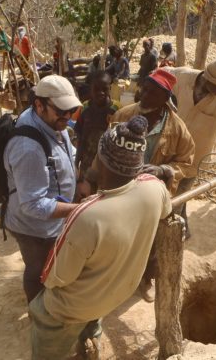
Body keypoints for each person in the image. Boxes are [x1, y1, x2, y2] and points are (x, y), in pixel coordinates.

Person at [29, 115, 172, 359]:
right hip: (115, 294)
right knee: (92, 313)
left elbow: (56, 278)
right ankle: (90, 340)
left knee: (40, 311)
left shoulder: (87, 215)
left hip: (73, 307)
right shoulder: (154, 188)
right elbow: (166, 210)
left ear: (101, 160)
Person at [80, 69, 195, 302]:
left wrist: (164, 170)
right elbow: (103, 152)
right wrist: (90, 177)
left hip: (150, 198)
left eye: (153, 93)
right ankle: (114, 277)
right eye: (145, 88)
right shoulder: (123, 115)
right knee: (117, 237)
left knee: (151, 241)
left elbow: (188, 163)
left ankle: (147, 279)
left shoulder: (177, 128)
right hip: (119, 191)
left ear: (165, 99)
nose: (144, 95)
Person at [3, 75, 82, 303]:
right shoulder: (28, 148)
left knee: (52, 266)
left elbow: (67, 153)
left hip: (52, 220)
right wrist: (76, 209)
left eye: (71, 111)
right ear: (39, 105)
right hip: (33, 228)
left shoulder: (53, 121)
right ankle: (37, 315)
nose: (67, 117)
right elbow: (33, 204)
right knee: (37, 271)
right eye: (61, 111)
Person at [167, 59, 216, 235]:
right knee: (170, 196)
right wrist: (165, 99)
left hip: (194, 160)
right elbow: (157, 77)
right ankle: (183, 229)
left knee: (175, 203)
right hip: (168, 150)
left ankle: (173, 237)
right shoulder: (183, 76)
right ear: (206, 79)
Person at [74, 71, 120, 184]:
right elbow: (80, 137)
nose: (101, 93)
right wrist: (76, 163)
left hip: (108, 164)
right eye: (96, 89)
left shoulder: (117, 109)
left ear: (110, 88)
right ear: (90, 89)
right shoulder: (85, 108)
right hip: (87, 162)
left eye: (104, 89)